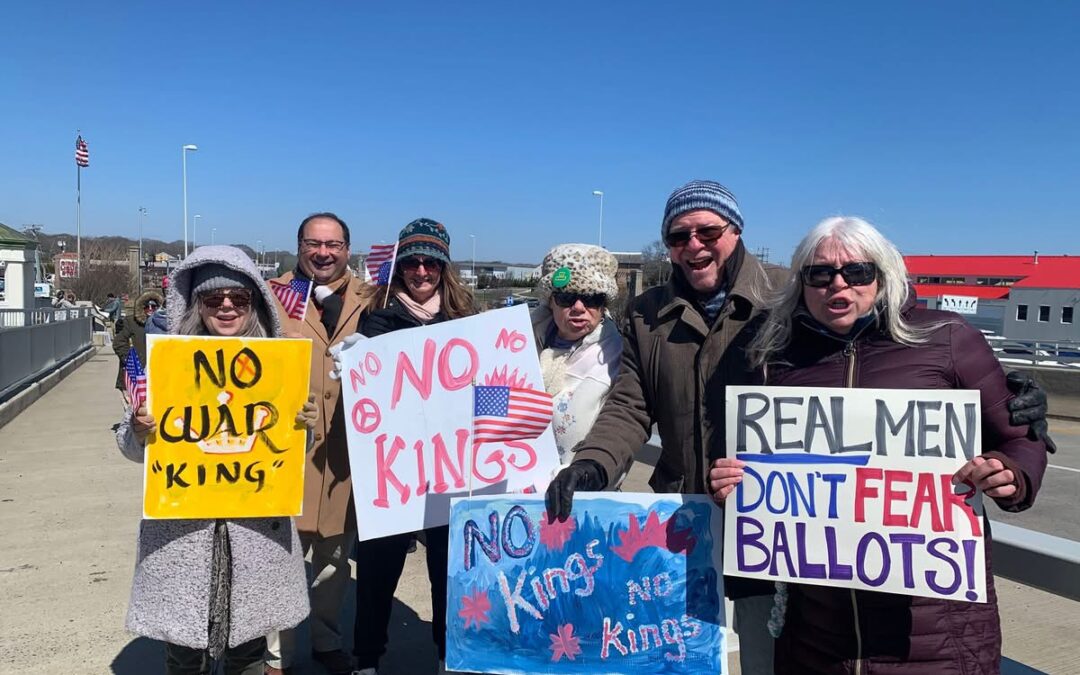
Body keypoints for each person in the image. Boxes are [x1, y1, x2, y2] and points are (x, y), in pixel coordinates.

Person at [544, 180, 1055, 675]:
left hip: (779, 533)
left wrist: (1007, 399)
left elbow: (882, 365)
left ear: (735, 231)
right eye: (678, 237)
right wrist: (591, 466)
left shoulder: (785, 296)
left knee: (768, 656)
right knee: (674, 658)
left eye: (708, 232)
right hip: (689, 521)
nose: (693, 246)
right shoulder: (648, 314)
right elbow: (630, 405)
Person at [709, 216, 1050, 673]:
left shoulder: (947, 339)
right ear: (802, 283)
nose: (838, 285)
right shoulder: (774, 355)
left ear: (883, 275)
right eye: (819, 273)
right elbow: (745, 457)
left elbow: (1019, 434)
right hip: (817, 636)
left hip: (933, 632)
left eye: (857, 272)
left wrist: (1013, 474)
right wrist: (731, 482)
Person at [114, 245, 315, 674]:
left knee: (249, 654)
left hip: (256, 535)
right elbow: (130, 448)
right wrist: (139, 429)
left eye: (238, 298)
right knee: (184, 658)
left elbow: (293, 449)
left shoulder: (279, 363)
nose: (226, 306)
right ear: (197, 305)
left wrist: (305, 426)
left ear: (254, 303)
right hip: (182, 538)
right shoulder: (167, 363)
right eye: (213, 298)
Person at [352, 218, 475, 675]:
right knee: (378, 569)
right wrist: (353, 362)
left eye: (430, 263)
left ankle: (448, 655)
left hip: (450, 465)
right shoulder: (377, 320)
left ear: (445, 267)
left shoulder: (465, 322)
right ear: (399, 267)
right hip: (394, 465)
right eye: (411, 263)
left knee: (450, 570)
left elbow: (486, 387)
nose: (420, 272)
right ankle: (366, 659)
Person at [265, 213, 367, 675]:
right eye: (313, 243)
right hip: (287, 453)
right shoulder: (271, 297)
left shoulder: (370, 299)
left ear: (347, 248)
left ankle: (327, 639)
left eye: (333, 244)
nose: (323, 253)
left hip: (347, 457)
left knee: (334, 561)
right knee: (279, 560)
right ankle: (275, 655)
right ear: (299, 246)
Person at [530, 243, 622, 464]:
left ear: (603, 305)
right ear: (550, 301)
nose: (579, 307)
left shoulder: (620, 356)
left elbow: (623, 426)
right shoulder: (516, 342)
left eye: (592, 298)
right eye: (566, 297)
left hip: (582, 489)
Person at [113, 289, 163, 404]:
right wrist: (130, 360)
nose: (150, 309)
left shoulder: (163, 325)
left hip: (155, 376)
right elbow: (118, 343)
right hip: (132, 375)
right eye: (147, 306)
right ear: (141, 307)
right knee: (132, 412)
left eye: (154, 306)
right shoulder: (131, 322)